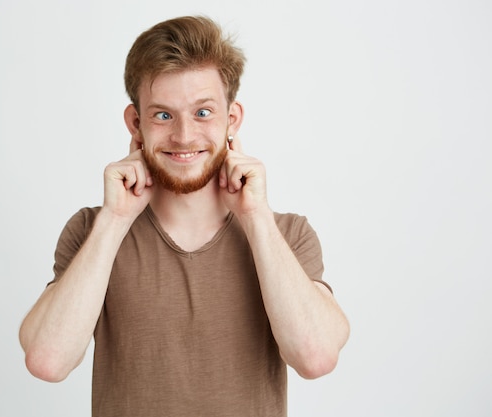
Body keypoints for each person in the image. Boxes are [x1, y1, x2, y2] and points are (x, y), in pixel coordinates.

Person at [19, 15, 349, 416]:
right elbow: (47, 361)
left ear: (232, 119)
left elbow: (316, 358)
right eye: (162, 115)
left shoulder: (285, 233)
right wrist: (115, 220)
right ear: (135, 124)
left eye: (203, 112)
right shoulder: (93, 229)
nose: (184, 136)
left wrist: (256, 217)